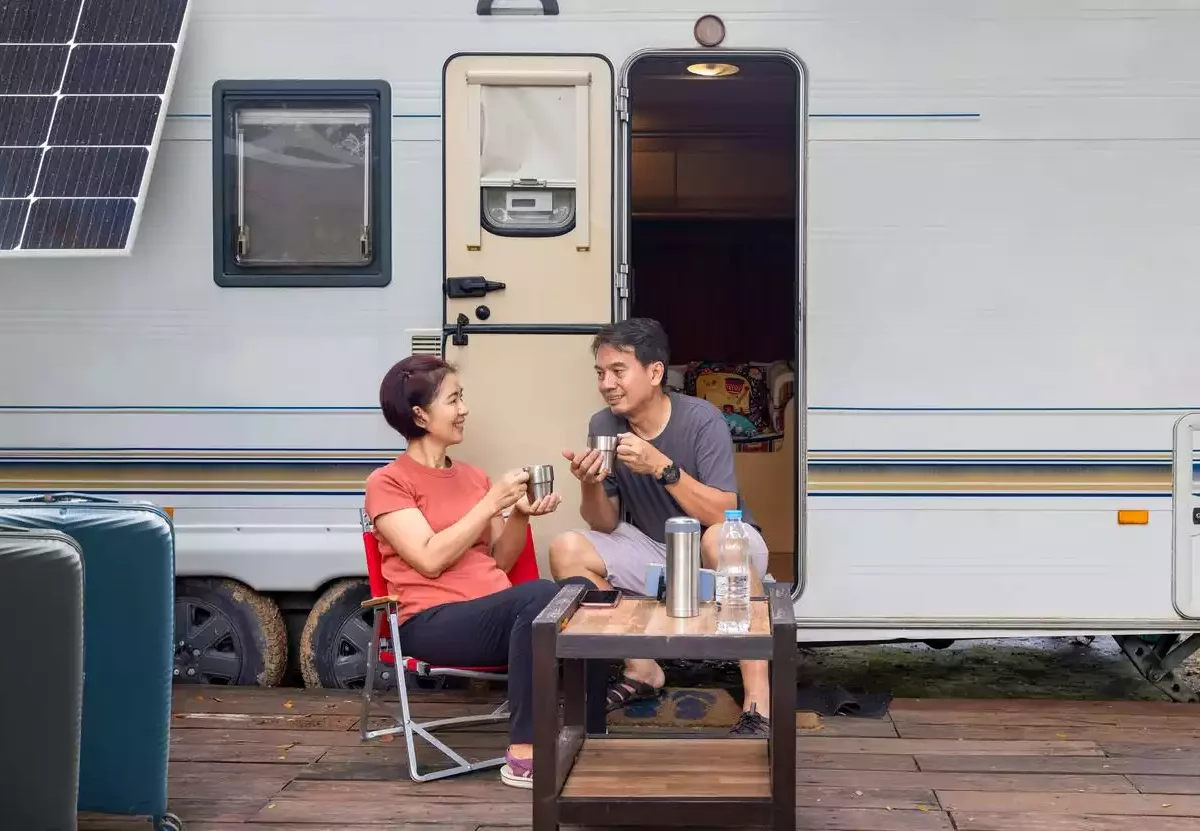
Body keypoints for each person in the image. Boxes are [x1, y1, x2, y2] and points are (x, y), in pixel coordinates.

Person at [363, 354, 593, 789]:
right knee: (541, 593)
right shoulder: (388, 482)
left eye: (461, 397)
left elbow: (500, 562)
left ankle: (591, 730)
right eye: (454, 399)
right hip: (431, 622)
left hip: (495, 616)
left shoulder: (472, 476)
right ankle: (524, 750)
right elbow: (428, 558)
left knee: (582, 591)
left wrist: (520, 515)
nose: (465, 408)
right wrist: (490, 504)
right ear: (419, 414)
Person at [548, 318, 774, 736]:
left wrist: (662, 467)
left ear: (654, 373)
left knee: (721, 538)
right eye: (600, 373)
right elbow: (605, 522)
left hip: (724, 546)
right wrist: (589, 483)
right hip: (656, 547)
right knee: (565, 548)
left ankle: (758, 702)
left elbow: (725, 513)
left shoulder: (702, 419)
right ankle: (642, 667)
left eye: (618, 371)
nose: (606, 383)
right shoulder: (604, 425)